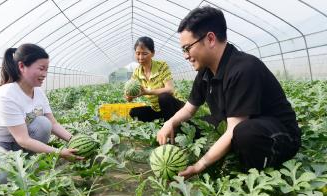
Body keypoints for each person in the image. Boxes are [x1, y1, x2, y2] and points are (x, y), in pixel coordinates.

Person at [157, 6, 301, 178]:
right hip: (235, 125)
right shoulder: (205, 70)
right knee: (186, 126)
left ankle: (251, 176)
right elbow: (189, 109)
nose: (185, 55)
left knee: (244, 134)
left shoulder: (244, 68)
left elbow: (234, 128)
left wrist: (199, 165)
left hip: (275, 135)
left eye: (187, 48)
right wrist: (170, 123)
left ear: (210, 39)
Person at [0, 43, 82, 184]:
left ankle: (24, 167)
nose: (44, 74)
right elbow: (23, 140)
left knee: (43, 124)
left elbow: (53, 124)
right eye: (41, 69)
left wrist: (76, 141)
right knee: (3, 174)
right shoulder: (7, 93)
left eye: (47, 69)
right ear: (22, 67)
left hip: (15, 142)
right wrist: (59, 153)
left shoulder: (38, 92)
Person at [127, 36, 184, 122]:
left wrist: (147, 92)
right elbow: (129, 97)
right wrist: (129, 95)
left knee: (163, 97)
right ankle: (165, 119)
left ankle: (173, 124)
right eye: (138, 53)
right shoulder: (137, 72)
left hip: (174, 106)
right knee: (134, 112)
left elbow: (170, 89)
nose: (141, 57)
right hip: (157, 109)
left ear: (153, 53)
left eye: (144, 53)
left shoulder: (162, 66)